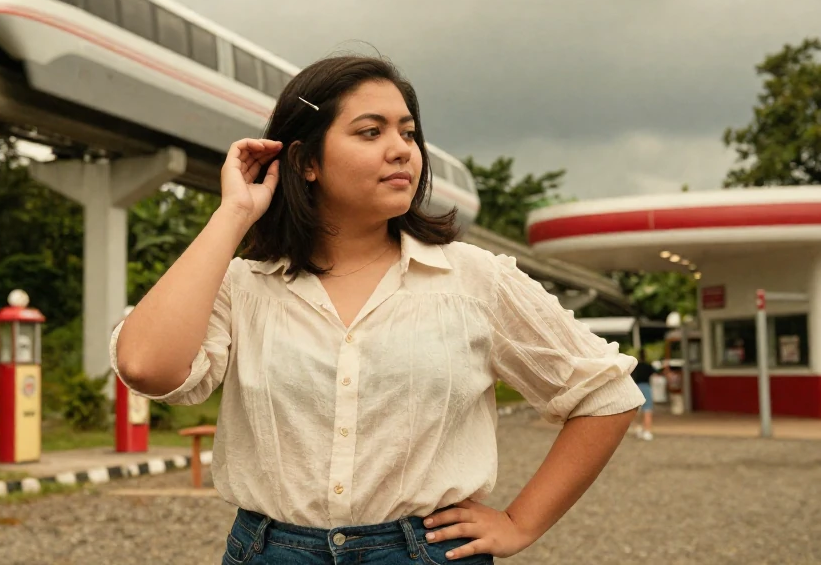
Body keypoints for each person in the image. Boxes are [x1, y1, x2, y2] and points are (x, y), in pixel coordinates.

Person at [112, 54, 645, 563]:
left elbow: (606, 394)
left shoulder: (474, 279)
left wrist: (520, 522)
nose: (401, 150)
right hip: (271, 553)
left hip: (426, 554)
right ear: (305, 161)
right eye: (371, 132)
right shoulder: (242, 286)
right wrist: (234, 214)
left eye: (408, 133)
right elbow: (146, 367)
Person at [628, 348, 658, 441]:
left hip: (636, 387)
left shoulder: (635, 366)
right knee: (647, 410)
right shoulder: (648, 365)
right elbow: (656, 373)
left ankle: (637, 428)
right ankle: (647, 431)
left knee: (635, 410)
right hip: (646, 387)